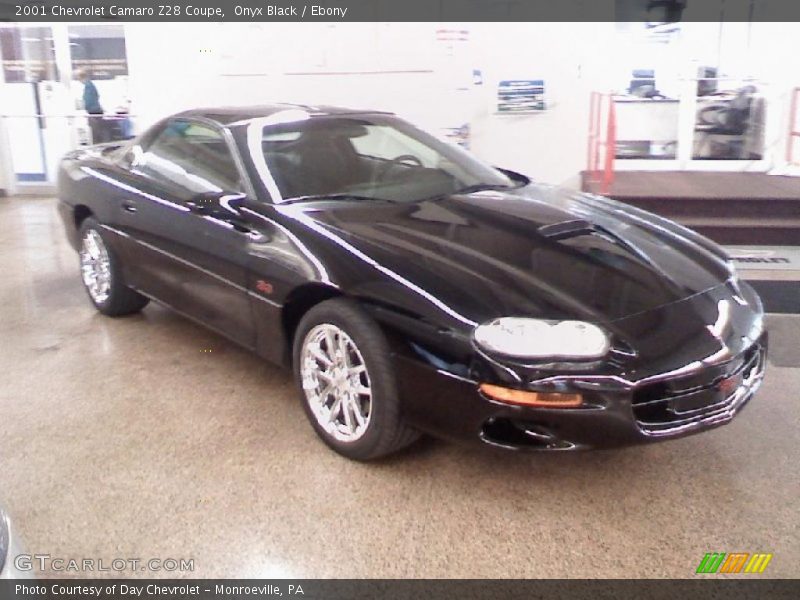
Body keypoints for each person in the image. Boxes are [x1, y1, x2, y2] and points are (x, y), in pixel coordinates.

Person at [76, 69, 107, 144]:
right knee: (96, 131)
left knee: (95, 132)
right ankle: (98, 144)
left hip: (94, 111)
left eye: (79, 79)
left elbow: (88, 100)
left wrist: (84, 106)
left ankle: (98, 146)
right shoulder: (91, 85)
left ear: (82, 78)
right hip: (96, 110)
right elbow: (96, 96)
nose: (80, 82)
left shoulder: (88, 86)